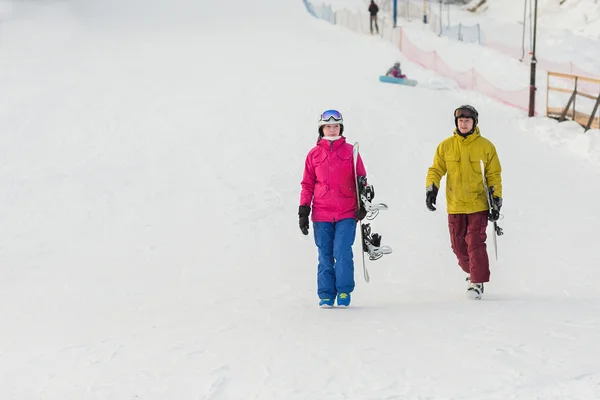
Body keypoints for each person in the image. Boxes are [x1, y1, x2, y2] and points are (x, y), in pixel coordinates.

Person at [425, 105, 502, 300]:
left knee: (475, 243)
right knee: (458, 246)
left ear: (474, 122)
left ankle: (476, 282)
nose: (464, 123)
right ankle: (472, 272)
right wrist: (431, 189)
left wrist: (496, 199)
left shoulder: (486, 146)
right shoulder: (446, 146)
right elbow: (436, 169)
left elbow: (494, 175)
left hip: (479, 204)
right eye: (460, 120)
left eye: (467, 120)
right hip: (456, 205)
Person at [299, 110, 369, 308]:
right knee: (325, 254)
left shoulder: (350, 152)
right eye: (328, 126)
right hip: (321, 213)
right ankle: (326, 294)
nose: (332, 130)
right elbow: (307, 184)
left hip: (347, 212)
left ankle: (344, 290)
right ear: (321, 129)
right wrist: (304, 209)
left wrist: (362, 204)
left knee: (342, 250)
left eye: (336, 126)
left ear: (341, 128)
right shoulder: (313, 154)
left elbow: (361, 180)